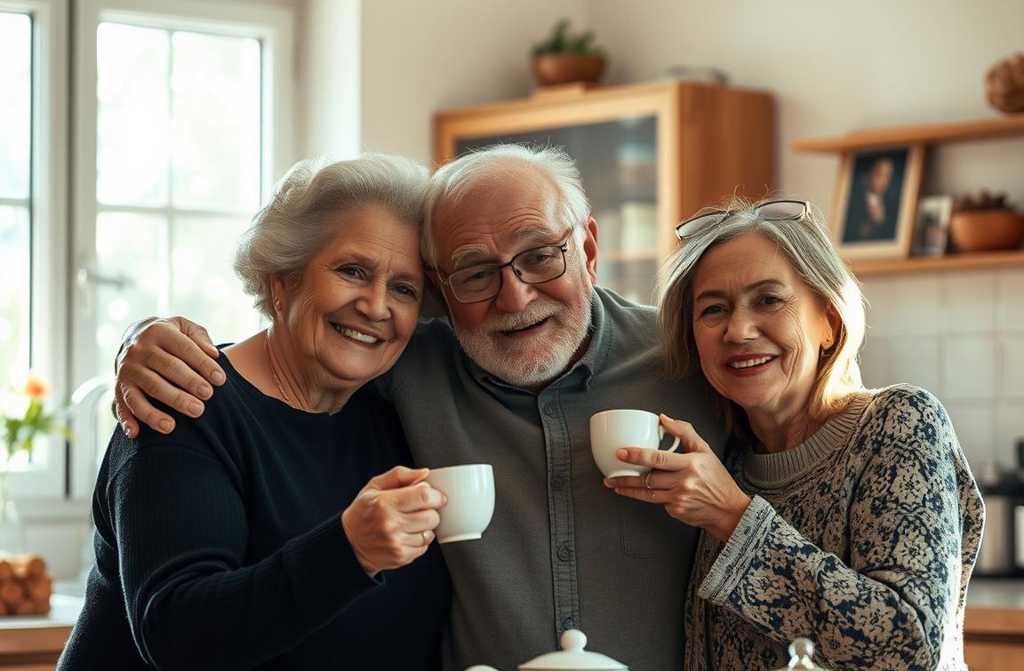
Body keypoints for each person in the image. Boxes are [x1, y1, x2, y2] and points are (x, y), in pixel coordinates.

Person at [109, 144, 726, 670]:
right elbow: (175, 627)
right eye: (475, 272)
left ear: (588, 250)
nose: (513, 296)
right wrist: (143, 341)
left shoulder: (692, 358)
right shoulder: (191, 399)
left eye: (540, 253)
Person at [59, 156, 451, 670]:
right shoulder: (186, 399)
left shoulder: (397, 410)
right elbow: (176, 634)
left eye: (404, 288)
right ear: (280, 280)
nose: (377, 306)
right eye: (352, 271)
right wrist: (348, 549)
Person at [605, 198, 983, 670]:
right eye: (714, 309)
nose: (739, 330)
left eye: (768, 299)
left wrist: (734, 519)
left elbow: (908, 648)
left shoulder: (899, 422)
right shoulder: (730, 462)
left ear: (829, 319)